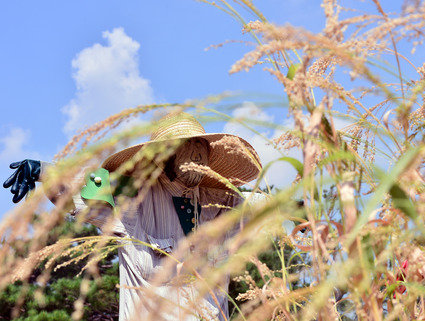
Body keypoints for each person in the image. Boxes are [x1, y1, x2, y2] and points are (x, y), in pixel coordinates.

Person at [3, 112, 262, 321]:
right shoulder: (132, 196)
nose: (196, 152)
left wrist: (300, 208)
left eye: (201, 145)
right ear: (163, 153)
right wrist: (41, 170)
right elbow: (79, 189)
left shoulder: (224, 204)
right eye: (187, 144)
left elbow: (275, 205)